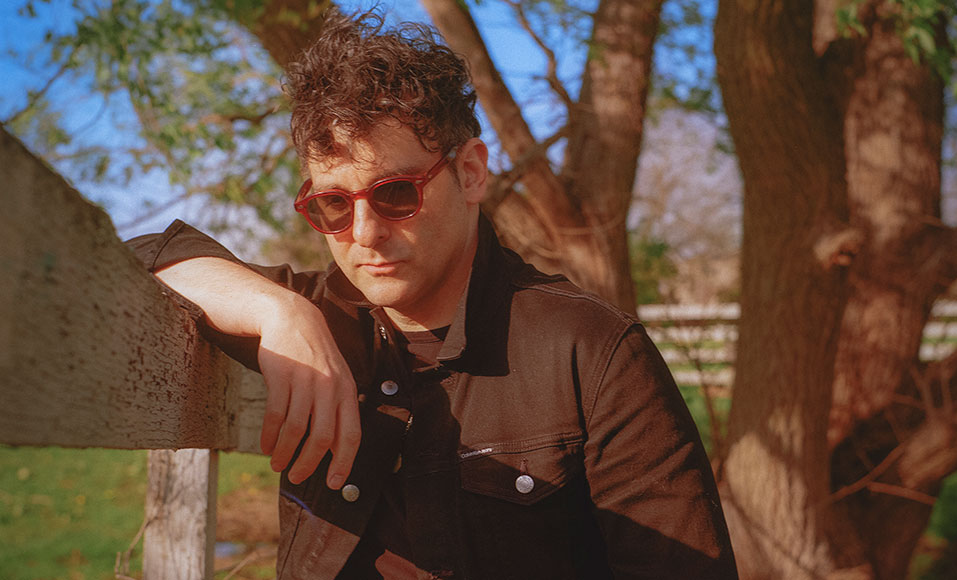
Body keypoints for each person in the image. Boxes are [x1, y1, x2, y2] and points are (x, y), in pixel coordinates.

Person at [128, 7, 737, 579]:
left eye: (395, 193)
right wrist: (279, 312)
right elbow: (146, 257)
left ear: (470, 172)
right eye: (333, 204)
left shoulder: (593, 350)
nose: (364, 232)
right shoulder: (313, 315)